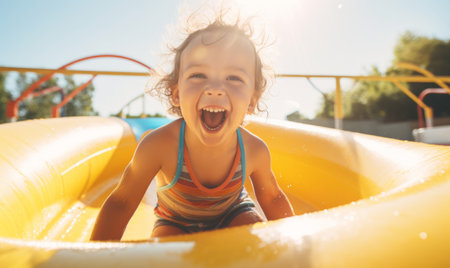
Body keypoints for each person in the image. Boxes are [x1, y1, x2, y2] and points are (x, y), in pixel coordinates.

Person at [90, 16, 294, 240]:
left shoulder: (253, 150)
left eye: (233, 78)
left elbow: (273, 199)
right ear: (176, 93)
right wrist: (96, 257)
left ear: (252, 100)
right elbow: (122, 202)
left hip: (233, 213)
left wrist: (296, 244)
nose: (214, 88)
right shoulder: (159, 145)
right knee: (164, 247)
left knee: (253, 229)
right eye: (198, 75)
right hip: (176, 220)